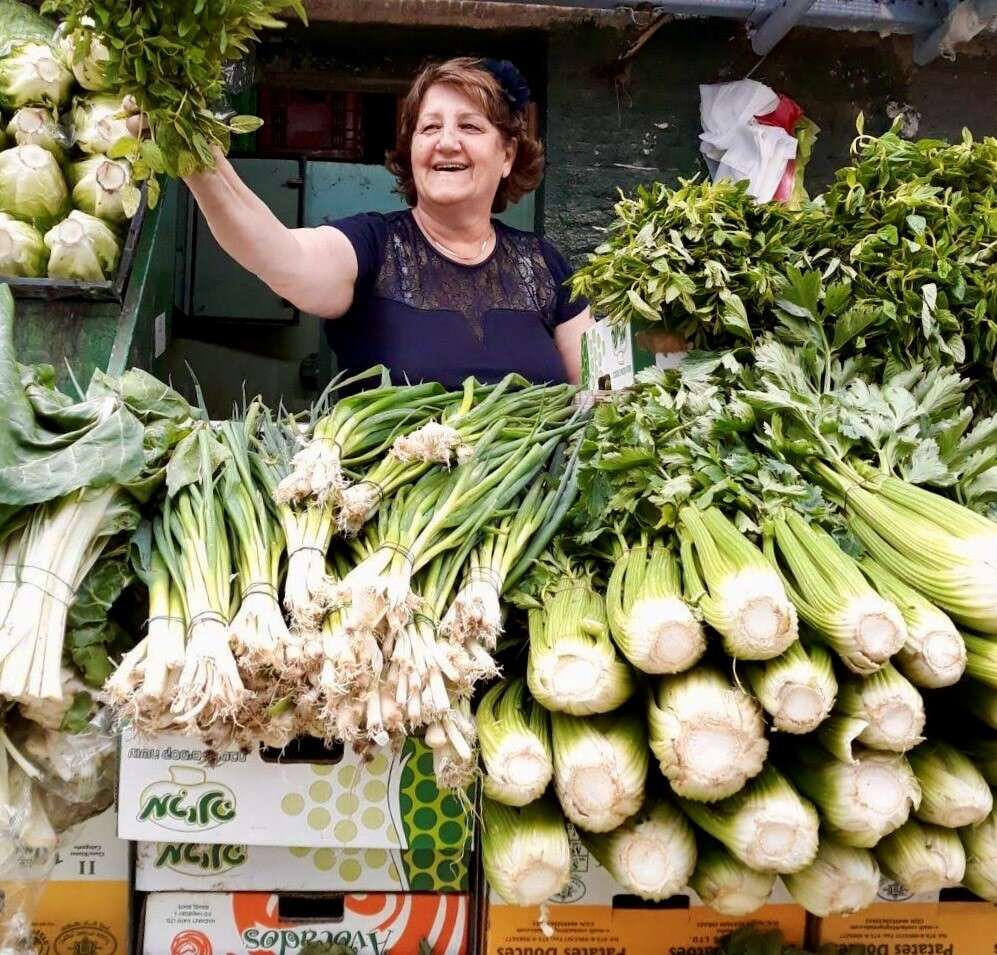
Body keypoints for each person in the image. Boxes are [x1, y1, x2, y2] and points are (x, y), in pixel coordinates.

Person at [177, 56, 594, 387]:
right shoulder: (373, 247)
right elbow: (279, 255)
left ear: (506, 156)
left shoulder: (544, 265)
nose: (446, 142)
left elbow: (598, 396)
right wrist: (198, 159)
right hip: (393, 492)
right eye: (429, 127)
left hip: (535, 494)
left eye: (469, 126)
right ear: (411, 151)